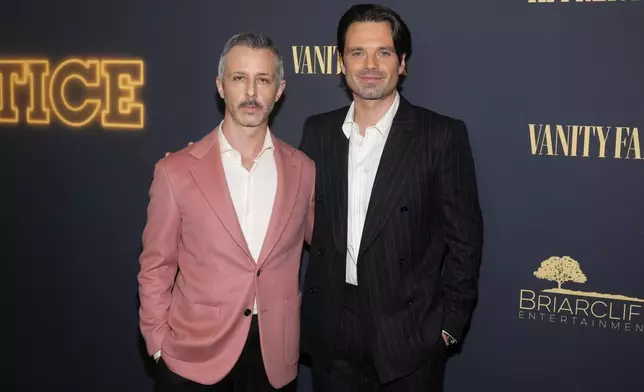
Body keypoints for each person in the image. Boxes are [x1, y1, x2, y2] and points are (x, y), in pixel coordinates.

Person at [298, 4, 483, 391]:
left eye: (383, 52)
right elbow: (290, 207)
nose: (370, 64)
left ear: (402, 63)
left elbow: (465, 240)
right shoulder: (319, 132)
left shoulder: (440, 135)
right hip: (331, 328)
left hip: (408, 333)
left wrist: (449, 327)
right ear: (341, 62)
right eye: (357, 53)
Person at [138, 32, 315, 392]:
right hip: (193, 360)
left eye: (263, 79)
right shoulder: (176, 171)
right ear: (221, 86)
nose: (251, 92)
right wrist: (157, 344)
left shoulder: (304, 170)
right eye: (239, 78)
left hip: (273, 360)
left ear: (279, 89)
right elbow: (156, 266)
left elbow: (328, 250)